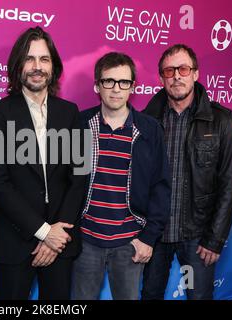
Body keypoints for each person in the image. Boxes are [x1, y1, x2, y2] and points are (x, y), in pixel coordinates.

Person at [0, 26, 86, 300]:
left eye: (44, 59)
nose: (37, 67)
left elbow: (79, 178)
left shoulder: (70, 113)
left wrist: (56, 235)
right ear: (17, 67)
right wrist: (43, 232)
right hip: (13, 244)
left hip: (61, 244)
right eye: (29, 59)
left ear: (54, 67)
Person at [142, 44, 232, 300]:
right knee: (149, 295)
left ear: (195, 74)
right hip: (155, 234)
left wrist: (215, 239)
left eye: (183, 69)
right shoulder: (146, 121)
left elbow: (229, 184)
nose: (176, 76)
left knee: (199, 297)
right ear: (161, 77)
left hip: (197, 237)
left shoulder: (221, 121)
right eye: (169, 70)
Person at [71, 52, 171, 300]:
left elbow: (161, 187)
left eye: (123, 82)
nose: (116, 89)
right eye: (109, 81)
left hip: (129, 243)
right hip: (86, 241)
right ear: (97, 85)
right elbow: (64, 180)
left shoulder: (149, 130)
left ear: (132, 87)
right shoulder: (80, 125)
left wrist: (148, 238)